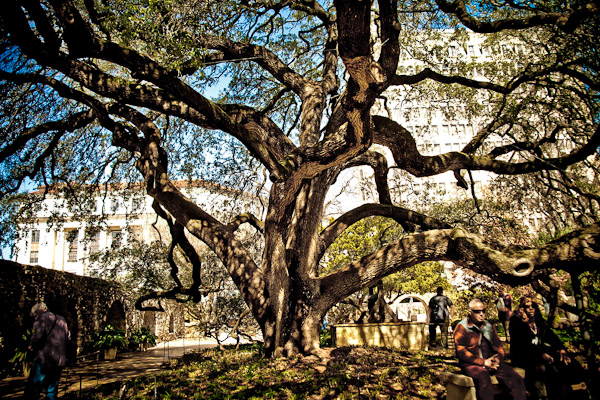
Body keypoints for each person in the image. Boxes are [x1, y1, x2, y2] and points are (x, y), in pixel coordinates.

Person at [509, 296, 588, 400]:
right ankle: (543, 396)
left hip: (540, 352)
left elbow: (551, 336)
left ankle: (575, 393)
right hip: (524, 356)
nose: (531, 309)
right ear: (522, 308)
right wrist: (541, 354)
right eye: (528, 307)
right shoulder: (516, 322)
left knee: (567, 362)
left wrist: (561, 349)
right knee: (542, 368)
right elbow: (522, 345)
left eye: (533, 306)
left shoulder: (538, 320)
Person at [454, 298, 526, 400]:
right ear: (470, 312)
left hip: (492, 362)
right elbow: (462, 352)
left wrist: (498, 359)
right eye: (477, 312)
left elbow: (499, 346)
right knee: (484, 379)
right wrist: (483, 362)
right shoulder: (462, 327)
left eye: (483, 311)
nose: (481, 314)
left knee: (516, 378)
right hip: (471, 364)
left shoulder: (489, 326)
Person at [25, 302, 71, 400]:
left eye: (34, 314)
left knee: (35, 387)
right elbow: (68, 337)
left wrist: (30, 346)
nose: (34, 317)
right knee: (52, 388)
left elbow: (37, 337)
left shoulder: (41, 319)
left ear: (37, 311)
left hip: (43, 359)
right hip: (58, 360)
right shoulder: (62, 319)